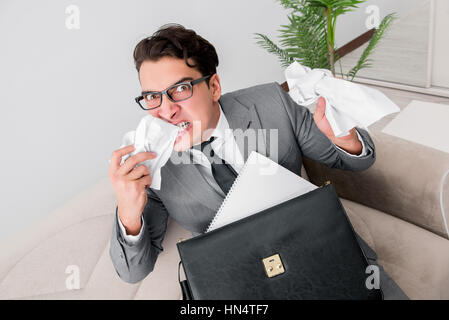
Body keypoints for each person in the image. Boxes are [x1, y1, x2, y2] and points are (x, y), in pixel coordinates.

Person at [108, 24, 407, 299]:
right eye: (152, 97)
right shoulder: (150, 165)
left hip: (325, 252)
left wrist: (342, 136)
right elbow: (133, 271)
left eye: (181, 89)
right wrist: (129, 214)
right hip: (240, 286)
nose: (167, 110)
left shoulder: (272, 103)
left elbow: (357, 163)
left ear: (213, 87)